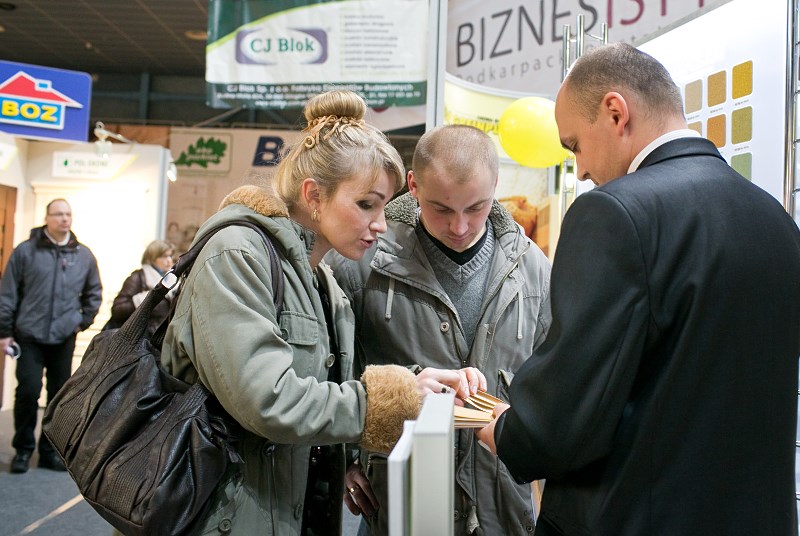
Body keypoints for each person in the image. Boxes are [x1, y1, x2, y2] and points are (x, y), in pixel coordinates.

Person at [475, 43, 800, 535]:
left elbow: (568, 407)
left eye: (575, 145)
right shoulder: (775, 220)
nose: (580, 170)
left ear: (615, 112)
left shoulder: (613, 213)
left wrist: (506, 429)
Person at [159, 90, 486, 536]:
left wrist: (417, 384)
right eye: (366, 204)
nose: (380, 224)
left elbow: (324, 388)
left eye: (383, 206)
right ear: (314, 195)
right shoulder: (237, 254)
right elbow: (267, 399)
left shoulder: (324, 282)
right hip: (221, 515)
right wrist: (387, 400)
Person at [326, 124, 552, 535]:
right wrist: (339, 458)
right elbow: (331, 372)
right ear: (413, 185)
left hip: (501, 506)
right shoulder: (363, 263)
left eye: (476, 207)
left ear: (496, 185)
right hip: (400, 502)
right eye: (442, 209)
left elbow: (552, 384)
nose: (460, 227)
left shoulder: (533, 269)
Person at [0, 198, 102, 474]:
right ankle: (23, 450)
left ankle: (49, 452)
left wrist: (80, 323)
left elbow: (94, 293)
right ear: (46, 218)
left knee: (58, 397)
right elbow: (8, 294)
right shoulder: (25, 252)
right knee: (28, 392)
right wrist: (5, 332)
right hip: (29, 336)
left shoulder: (83, 255)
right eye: (58, 214)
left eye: (68, 214)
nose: (64, 219)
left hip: (63, 338)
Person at [104, 239, 175, 335]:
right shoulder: (138, 277)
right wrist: (143, 299)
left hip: (163, 338)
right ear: (152, 258)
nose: (169, 260)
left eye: (170, 256)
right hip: (140, 339)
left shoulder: (172, 280)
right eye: (164, 256)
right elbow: (117, 309)